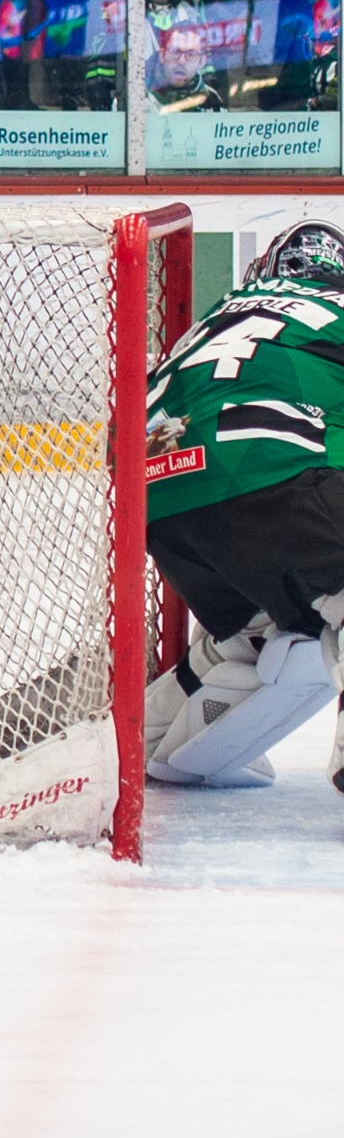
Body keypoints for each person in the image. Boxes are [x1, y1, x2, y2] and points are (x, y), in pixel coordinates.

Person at [141, 221, 344, 794]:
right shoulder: (337, 308)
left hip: (160, 497)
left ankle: (145, 739)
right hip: (272, 475)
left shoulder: (216, 317)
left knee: (260, 633)